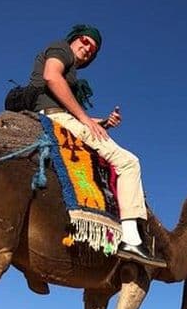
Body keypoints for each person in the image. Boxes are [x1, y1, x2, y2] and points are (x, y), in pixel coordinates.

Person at [28, 24, 166, 267]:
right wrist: (86, 120)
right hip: (58, 119)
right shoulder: (61, 49)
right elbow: (51, 76)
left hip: (60, 116)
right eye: (85, 41)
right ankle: (131, 240)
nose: (87, 49)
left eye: (93, 50)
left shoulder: (70, 69)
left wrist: (103, 122)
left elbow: (68, 109)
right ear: (73, 39)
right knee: (128, 162)